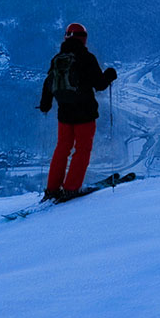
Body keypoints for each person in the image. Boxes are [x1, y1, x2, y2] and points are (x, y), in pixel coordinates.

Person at [39, 23, 117, 201]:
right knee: (82, 150)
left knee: (62, 149)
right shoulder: (87, 58)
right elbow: (100, 84)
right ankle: (71, 188)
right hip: (85, 114)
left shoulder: (58, 59)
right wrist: (110, 74)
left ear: (66, 37)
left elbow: (48, 83)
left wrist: (45, 105)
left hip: (64, 114)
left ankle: (52, 189)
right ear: (83, 38)